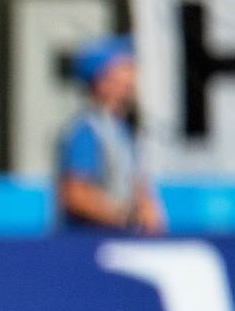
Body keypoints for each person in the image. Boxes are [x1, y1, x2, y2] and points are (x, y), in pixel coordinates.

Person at [55, 33, 165, 235]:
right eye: (125, 68)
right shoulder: (87, 131)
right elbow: (76, 194)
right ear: (102, 79)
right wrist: (128, 219)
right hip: (88, 248)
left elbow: (137, 188)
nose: (133, 77)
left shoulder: (121, 129)